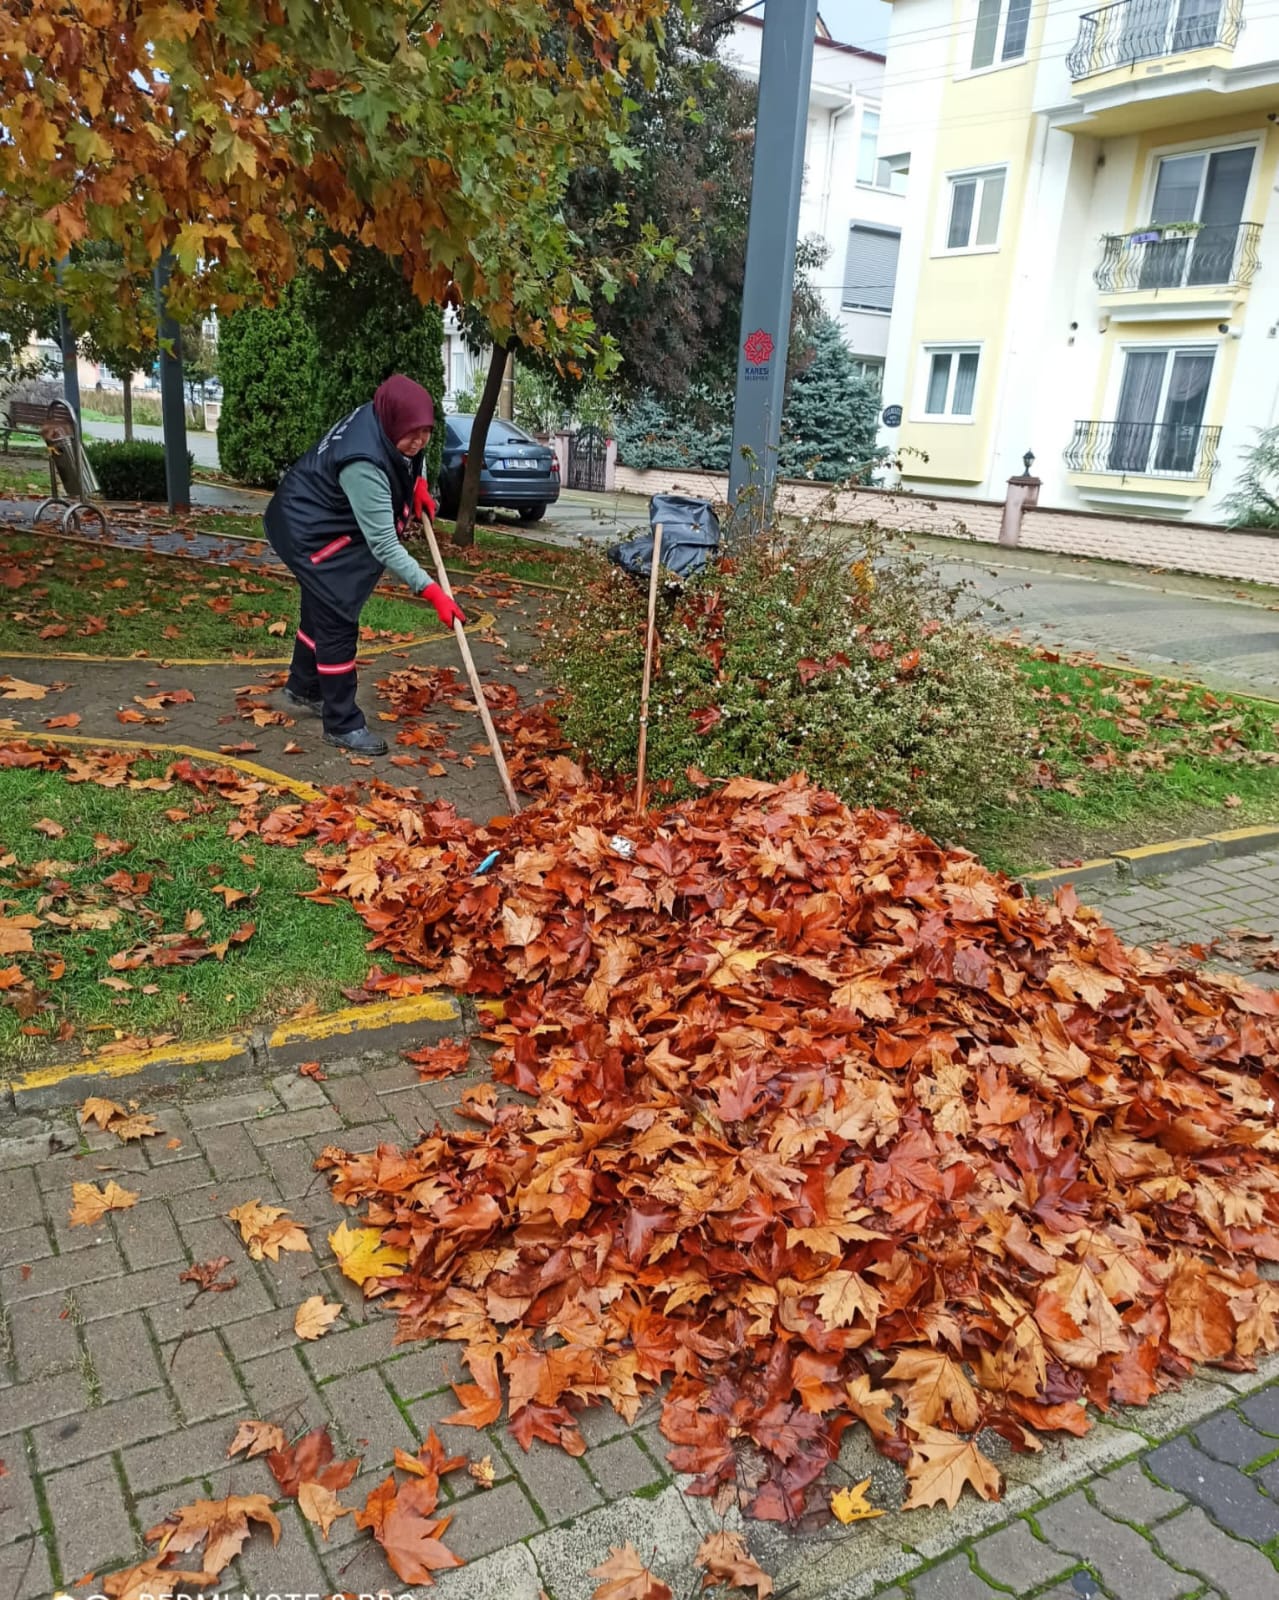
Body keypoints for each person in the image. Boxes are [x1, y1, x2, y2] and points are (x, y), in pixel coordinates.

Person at [264, 374, 465, 755]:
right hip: (309, 531)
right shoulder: (363, 463)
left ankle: (303, 686)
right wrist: (432, 592)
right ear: (391, 423)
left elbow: (410, 455)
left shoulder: (388, 422)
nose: (419, 441)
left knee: (319, 609)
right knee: (337, 615)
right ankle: (342, 723)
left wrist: (419, 484)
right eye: (412, 433)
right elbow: (384, 544)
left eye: (426, 431)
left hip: (317, 518)